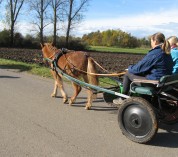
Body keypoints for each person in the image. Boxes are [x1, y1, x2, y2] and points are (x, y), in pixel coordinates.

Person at [113, 32, 174, 105]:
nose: (151, 43)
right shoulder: (166, 52)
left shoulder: (155, 53)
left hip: (155, 82)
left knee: (128, 74)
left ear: (155, 41)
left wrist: (129, 68)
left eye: (151, 41)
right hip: (164, 82)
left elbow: (139, 68)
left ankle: (122, 98)